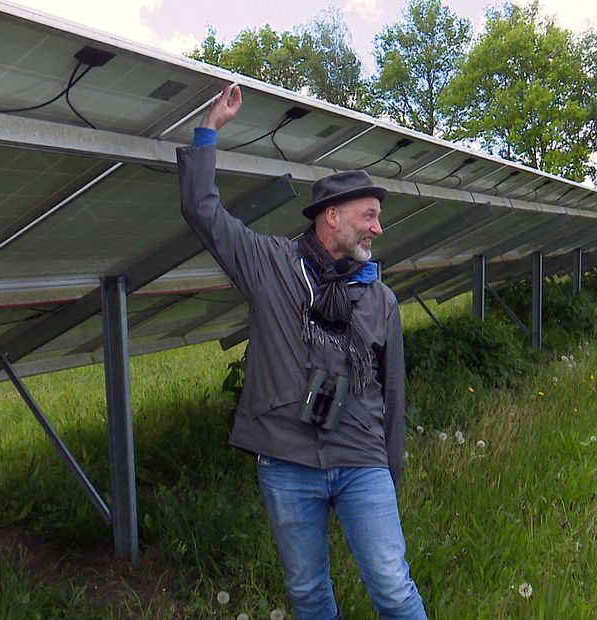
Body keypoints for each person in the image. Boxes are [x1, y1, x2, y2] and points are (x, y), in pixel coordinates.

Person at [176, 83, 427, 620]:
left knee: (393, 588)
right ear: (331, 216)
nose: (378, 228)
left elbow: (394, 391)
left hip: (362, 461)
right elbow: (204, 212)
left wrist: (390, 468)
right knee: (310, 594)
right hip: (286, 460)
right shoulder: (270, 266)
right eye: (369, 215)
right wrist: (209, 130)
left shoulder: (380, 298)